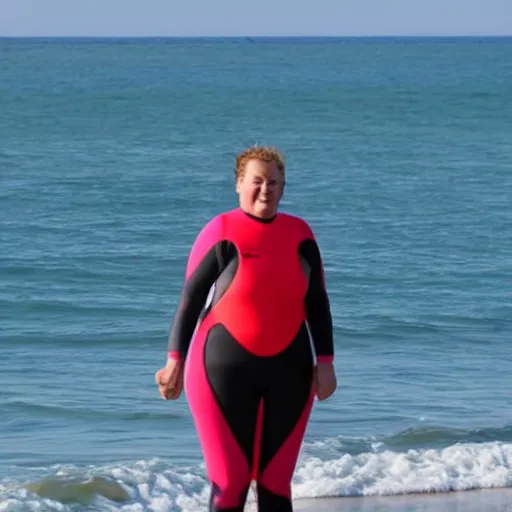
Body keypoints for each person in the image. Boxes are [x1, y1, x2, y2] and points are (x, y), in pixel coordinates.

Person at [155, 146, 337, 512]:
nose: (265, 189)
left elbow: (316, 301)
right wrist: (174, 360)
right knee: (230, 484)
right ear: (239, 184)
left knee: (275, 485)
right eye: (256, 181)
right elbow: (189, 299)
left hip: (291, 370)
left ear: (283, 188)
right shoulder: (221, 231)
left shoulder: (300, 235)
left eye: (273, 182)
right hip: (220, 370)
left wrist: (327, 362)